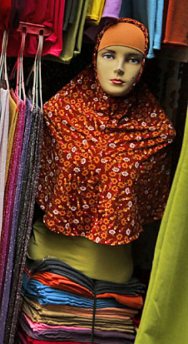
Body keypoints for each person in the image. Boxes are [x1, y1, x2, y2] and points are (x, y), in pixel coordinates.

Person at [31, 19, 175, 284]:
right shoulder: (60, 113)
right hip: (46, 259)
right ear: (94, 57)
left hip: (111, 270)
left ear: (143, 65)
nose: (119, 69)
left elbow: (147, 207)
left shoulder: (156, 133)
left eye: (132, 59)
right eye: (109, 55)